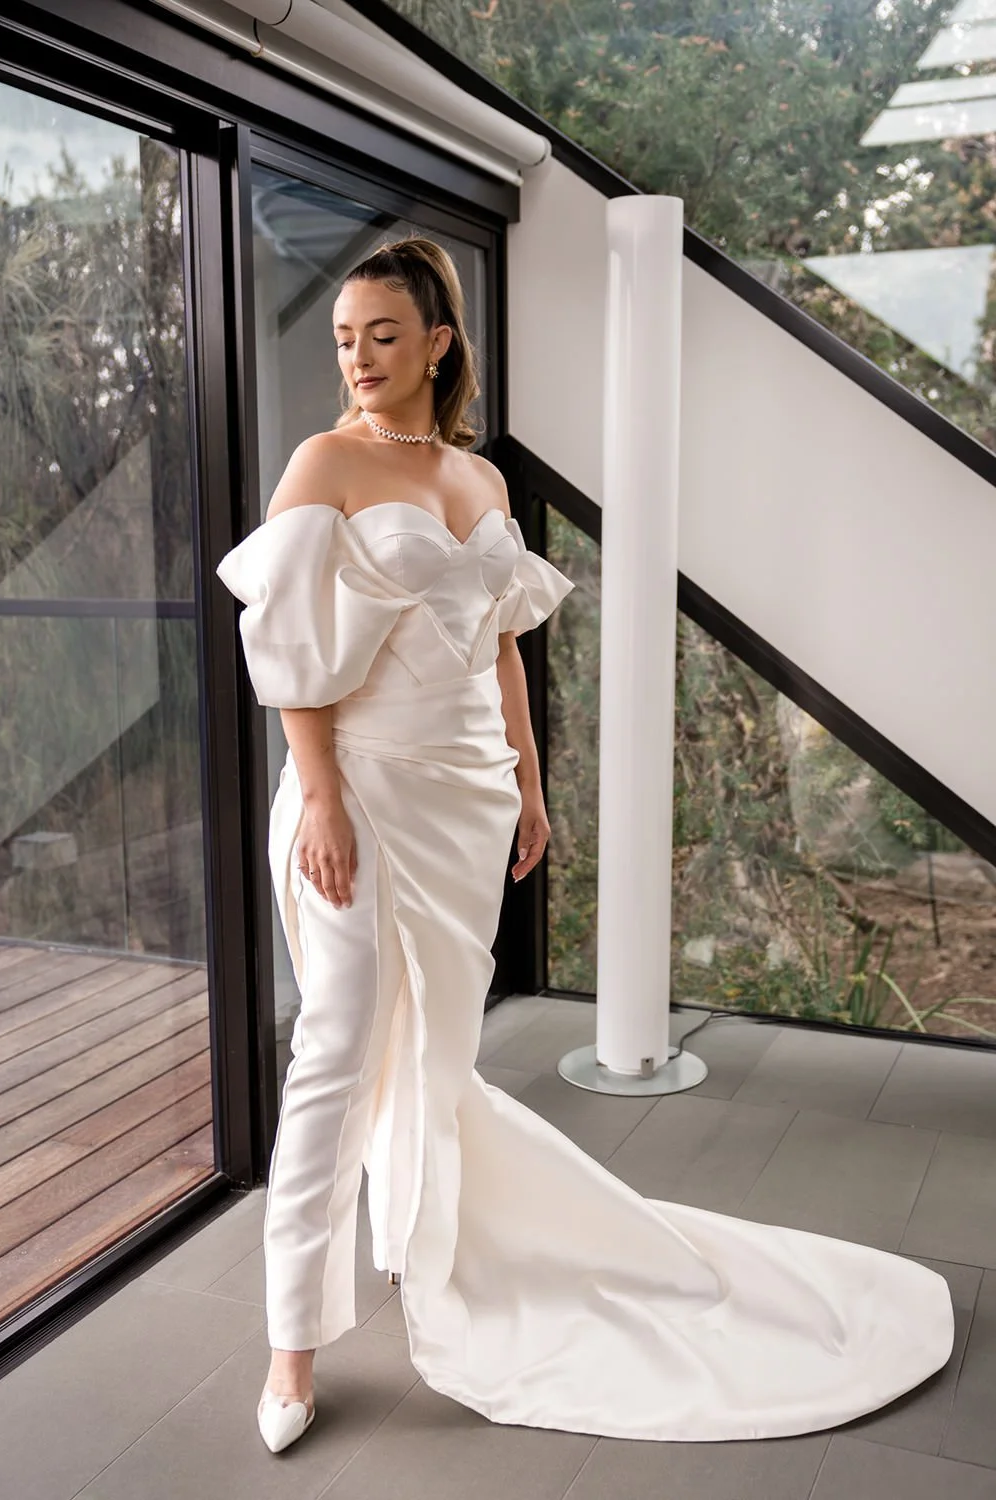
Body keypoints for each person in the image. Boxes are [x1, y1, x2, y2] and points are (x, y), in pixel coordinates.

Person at [216, 237, 953, 1456]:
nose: (356, 359)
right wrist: (323, 792)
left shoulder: (480, 481)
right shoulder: (325, 461)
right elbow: (287, 641)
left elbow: (501, 645)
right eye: (344, 338)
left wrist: (534, 787)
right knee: (337, 1048)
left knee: (440, 1053)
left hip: (467, 798)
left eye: (383, 335)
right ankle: (291, 1346)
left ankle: (426, 1245)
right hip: (357, 789)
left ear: (438, 341)